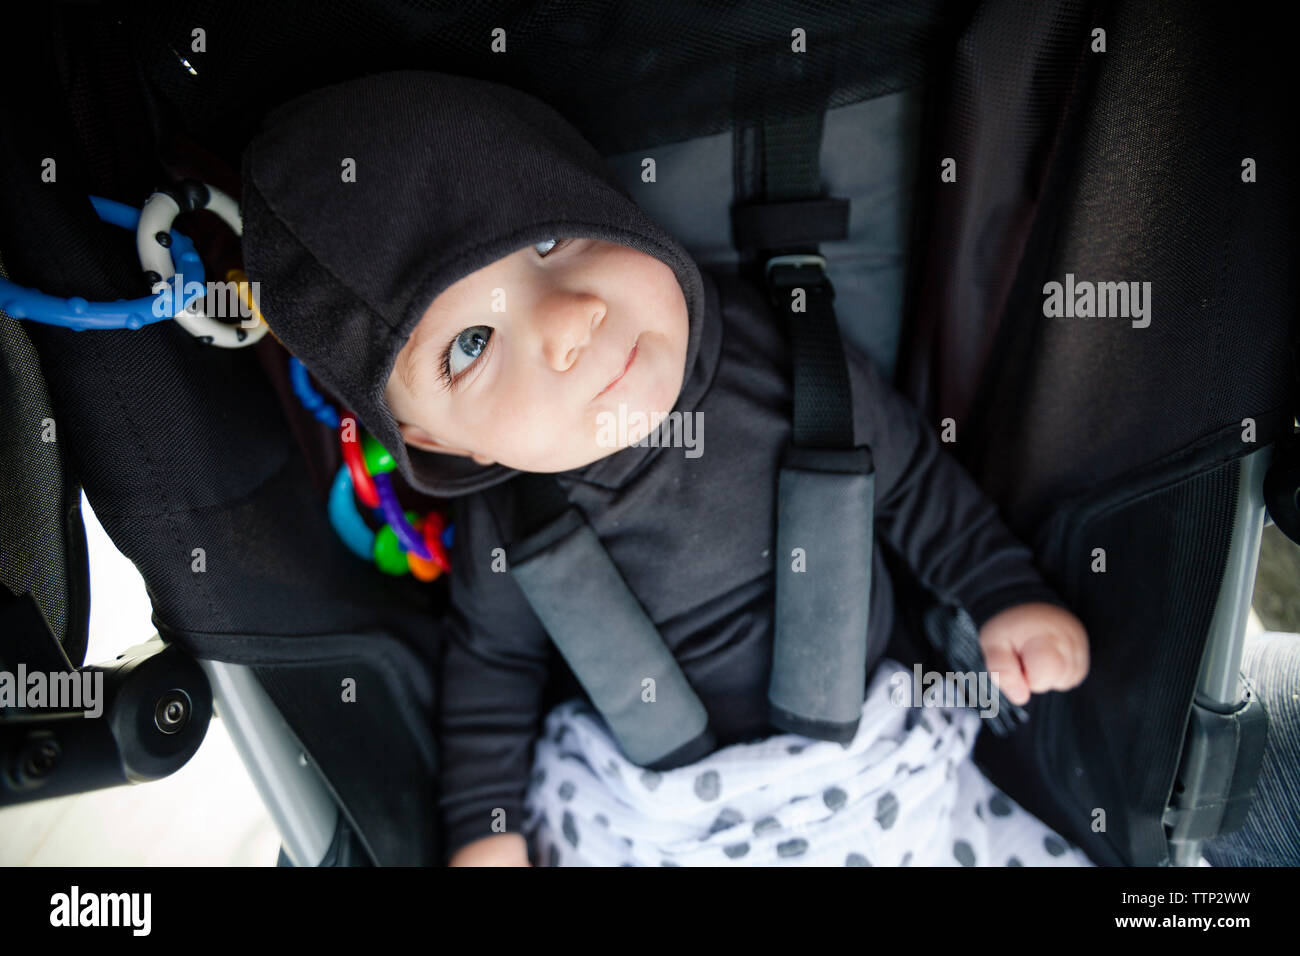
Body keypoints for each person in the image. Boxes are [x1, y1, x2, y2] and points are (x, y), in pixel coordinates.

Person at [240, 69, 1091, 867]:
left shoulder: (787, 358)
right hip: (657, 813)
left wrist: (1002, 593)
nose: (567, 325)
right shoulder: (509, 522)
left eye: (551, 236)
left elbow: (912, 486)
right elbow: (492, 673)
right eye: (472, 345)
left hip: (879, 761)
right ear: (446, 444)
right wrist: (486, 826)